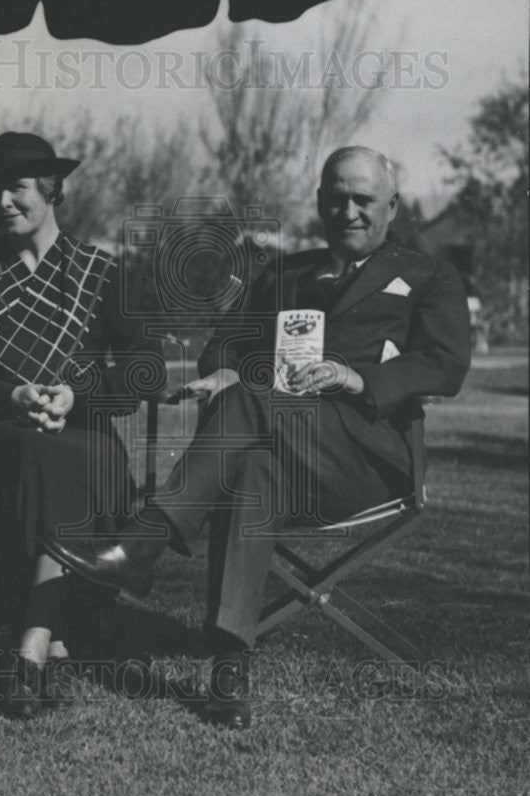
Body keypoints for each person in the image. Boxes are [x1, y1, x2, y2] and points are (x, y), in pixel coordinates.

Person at [43, 145, 472, 729]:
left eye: (363, 200)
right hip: (281, 452)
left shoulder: (429, 275)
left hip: (366, 463)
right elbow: (225, 346)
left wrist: (356, 376)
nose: (348, 211)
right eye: (336, 198)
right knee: (250, 473)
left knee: (248, 399)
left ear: (391, 207)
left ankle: (142, 543)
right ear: (321, 202)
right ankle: (228, 669)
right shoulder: (288, 273)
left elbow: (445, 364)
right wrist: (222, 369)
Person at [0, 132, 165, 719]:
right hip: (0, 436)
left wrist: (79, 394)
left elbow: (146, 361)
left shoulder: (100, 272)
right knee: (56, 460)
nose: (2, 201)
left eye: (16, 187)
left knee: (75, 457)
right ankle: (43, 642)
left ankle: (31, 646)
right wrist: (10, 393)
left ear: (51, 190)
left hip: (82, 431)